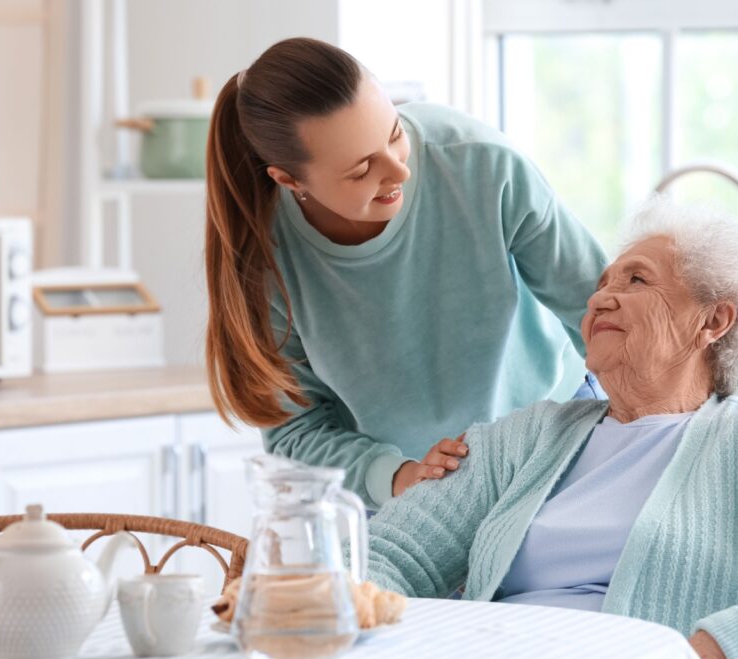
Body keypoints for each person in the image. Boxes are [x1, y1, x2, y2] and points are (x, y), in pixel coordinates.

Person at [364, 198, 738, 659]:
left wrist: (716, 648)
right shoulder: (524, 437)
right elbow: (385, 555)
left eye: (636, 280)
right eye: (602, 284)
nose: (600, 298)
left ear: (713, 321)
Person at [204, 38, 608, 508]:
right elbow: (297, 431)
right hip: (413, 496)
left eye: (395, 133)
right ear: (289, 180)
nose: (400, 171)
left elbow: (600, 309)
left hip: (554, 435)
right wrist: (399, 477)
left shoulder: (479, 163)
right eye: (361, 170)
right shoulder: (267, 263)